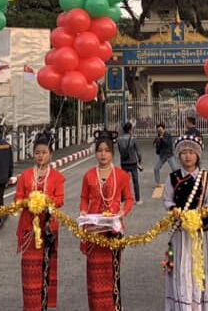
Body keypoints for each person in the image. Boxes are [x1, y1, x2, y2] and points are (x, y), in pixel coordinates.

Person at [164, 133, 208, 310]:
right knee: (182, 269)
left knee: (201, 269)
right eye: (183, 152)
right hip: (181, 232)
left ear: (198, 155)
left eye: (191, 152)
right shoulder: (173, 178)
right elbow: (167, 200)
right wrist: (173, 209)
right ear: (178, 156)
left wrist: (204, 211)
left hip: (201, 232)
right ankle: (184, 304)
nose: (187, 156)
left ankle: (201, 304)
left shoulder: (205, 177)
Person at [79, 130, 135, 311]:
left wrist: (121, 213)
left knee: (112, 275)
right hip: (94, 232)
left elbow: (129, 199)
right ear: (95, 153)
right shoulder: (88, 175)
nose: (103, 154)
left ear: (112, 153)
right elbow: (84, 198)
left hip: (113, 232)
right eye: (100, 150)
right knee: (95, 278)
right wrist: (83, 212)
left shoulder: (122, 175)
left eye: (107, 150)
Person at [15, 133, 66, 311]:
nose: (40, 156)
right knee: (30, 272)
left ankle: (43, 305)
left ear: (50, 154)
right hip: (29, 230)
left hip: (48, 230)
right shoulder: (25, 176)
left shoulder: (57, 177)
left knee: (46, 269)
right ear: (33, 154)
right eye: (37, 152)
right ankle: (30, 306)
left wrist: (45, 200)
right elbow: (17, 199)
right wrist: (29, 202)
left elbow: (60, 199)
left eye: (44, 152)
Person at [117, 122, 143, 205]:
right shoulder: (133, 138)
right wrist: (139, 160)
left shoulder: (119, 139)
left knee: (123, 180)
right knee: (135, 181)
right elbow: (138, 151)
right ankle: (137, 199)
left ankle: (122, 198)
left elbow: (120, 151)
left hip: (124, 162)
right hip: (133, 162)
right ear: (130, 129)